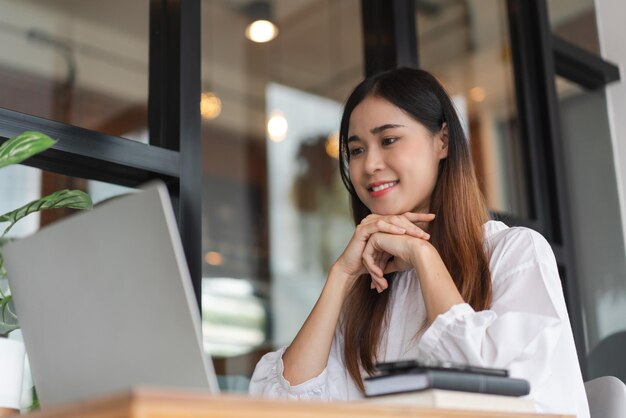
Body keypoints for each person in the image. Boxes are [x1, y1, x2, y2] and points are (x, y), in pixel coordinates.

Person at [249, 67, 589, 417]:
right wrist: (341, 276)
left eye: (389, 140)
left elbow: (489, 394)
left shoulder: (515, 252)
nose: (370, 165)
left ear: (442, 141)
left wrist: (423, 255)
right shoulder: (371, 290)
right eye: (356, 150)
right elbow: (281, 405)